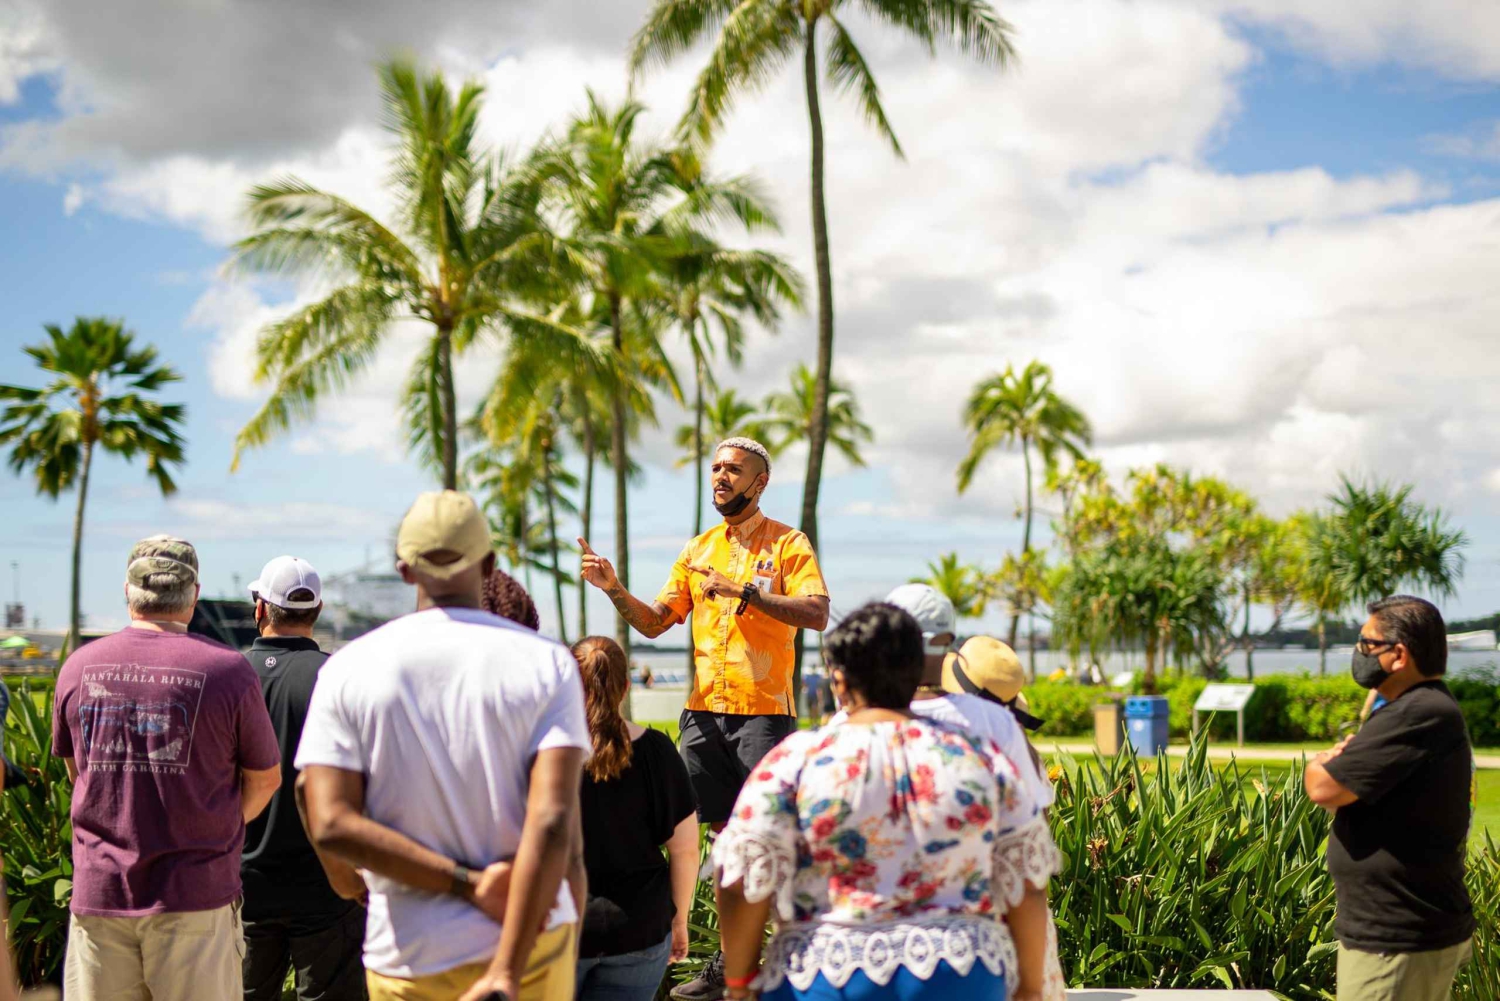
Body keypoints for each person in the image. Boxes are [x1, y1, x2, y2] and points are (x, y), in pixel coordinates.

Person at [296, 491, 590, 1001]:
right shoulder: (546, 662)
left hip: (410, 951)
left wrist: (464, 884)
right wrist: (506, 970)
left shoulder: (349, 666)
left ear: (404, 570)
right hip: (533, 947)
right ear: (490, 563)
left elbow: (328, 820)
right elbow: (554, 823)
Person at [579, 437, 830, 1001]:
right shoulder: (698, 549)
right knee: (690, 833)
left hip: (762, 715)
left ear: (758, 483)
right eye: (715, 468)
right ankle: (694, 956)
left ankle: (778, 964)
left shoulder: (788, 544)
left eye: (732, 470)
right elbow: (654, 623)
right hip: (701, 717)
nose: (720, 476)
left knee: (764, 841)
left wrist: (747, 593)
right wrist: (615, 589)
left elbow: (817, 613)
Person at [713, 602, 1057, 1001]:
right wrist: (1031, 987)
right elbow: (1029, 880)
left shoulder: (796, 761)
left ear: (838, 681)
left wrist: (739, 983)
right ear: (918, 674)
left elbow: (739, 876)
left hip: (825, 976)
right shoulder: (977, 757)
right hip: (960, 974)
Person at [52, 535, 282, 1001]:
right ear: (194, 594)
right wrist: (223, 820)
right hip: (195, 897)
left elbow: (80, 774)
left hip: (101, 898)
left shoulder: (78, 668)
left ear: (127, 591)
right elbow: (266, 778)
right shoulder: (228, 672)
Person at [1304, 595, 1475, 1001]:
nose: (1359, 653)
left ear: (1398, 655)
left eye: (1367, 643)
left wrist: (1321, 762)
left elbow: (1322, 787)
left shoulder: (1417, 714)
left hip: (1398, 936)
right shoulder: (1413, 711)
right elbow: (1343, 797)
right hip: (1393, 931)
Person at [240, 556, 367, 1001]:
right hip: (327, 881)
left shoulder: (228, 677)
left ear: (261, 609)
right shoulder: (339, 676)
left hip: (242, 881)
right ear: (316, 611)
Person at [572, 637, 698, 1001]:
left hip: (562, 927)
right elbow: (686, 850)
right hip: (639, 929)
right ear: (626, 687)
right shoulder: (657, 752)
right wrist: (678, 920)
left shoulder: (546, 750)